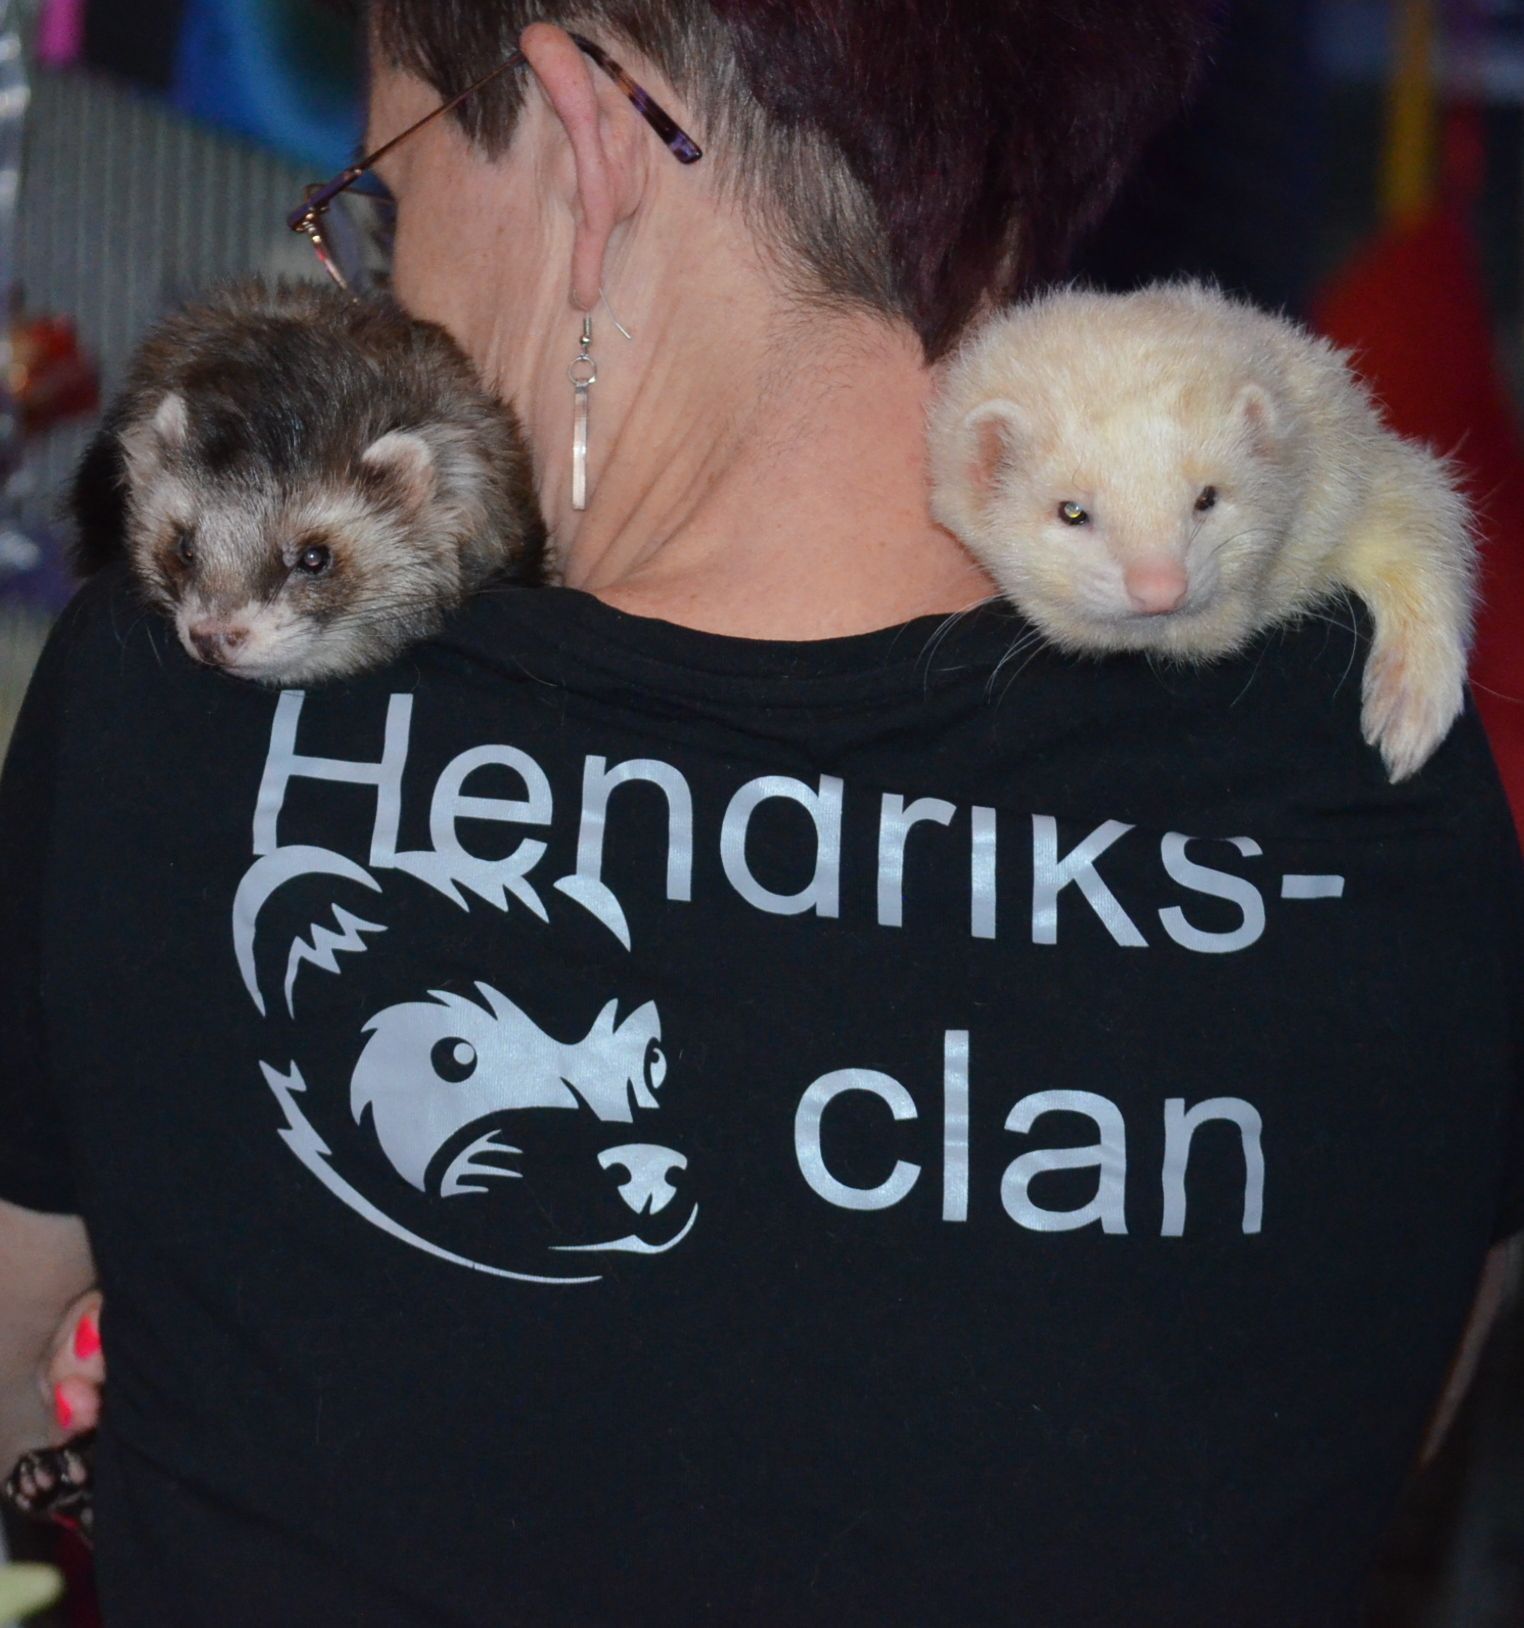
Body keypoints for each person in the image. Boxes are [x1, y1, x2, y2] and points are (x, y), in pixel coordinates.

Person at [2, 4, 1521, 1623]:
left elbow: (31, 1396)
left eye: (387, 191)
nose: (383, 276)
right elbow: (1338, 1428)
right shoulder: (1378, 780)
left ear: (586, 136)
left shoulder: (207, 709)